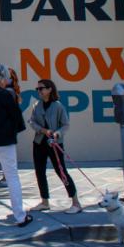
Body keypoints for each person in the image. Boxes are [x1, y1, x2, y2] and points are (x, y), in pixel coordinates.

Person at [0, 64, 33, 227]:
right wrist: (14, 131)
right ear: (1, 78)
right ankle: (20, 216)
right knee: (12, 177)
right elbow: (16, 117)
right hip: (5, 141)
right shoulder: (6, 95)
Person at [29, 79, 82, 214]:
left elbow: (65, 124)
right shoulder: (36, 105)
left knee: (61, 171)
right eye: (38, 89)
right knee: (39, 172)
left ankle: (76, 202)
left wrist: (57, 133)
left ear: (49, 89)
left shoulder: (58, 106)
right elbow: (31, 121)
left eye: (41, 88)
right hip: (39, 142)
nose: (39, 91)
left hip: (54, 143)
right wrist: (42, 130)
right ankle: (44, 202)